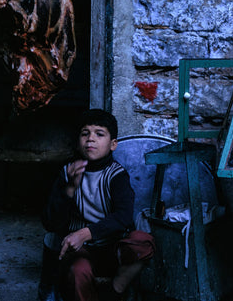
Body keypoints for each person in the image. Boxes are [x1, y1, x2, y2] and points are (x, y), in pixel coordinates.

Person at [39, 109, 155, 301]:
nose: (90, 139)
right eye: (85, 134)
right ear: (78, 141)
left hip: (113, 248)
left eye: (99, 134)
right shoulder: (68, 172)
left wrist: (86, 233)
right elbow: (50, 223)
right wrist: (69, 189)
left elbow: (124, 216)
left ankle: (115, 291)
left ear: (113, 144)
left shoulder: (116, 175)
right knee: (79, 271)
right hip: (81, 251)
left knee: (144, 241)